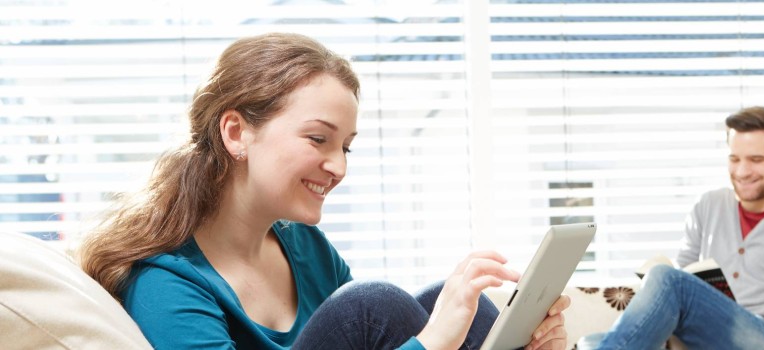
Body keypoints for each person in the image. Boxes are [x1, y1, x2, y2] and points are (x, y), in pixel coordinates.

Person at [78, 33, 570, 350]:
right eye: (318, 139)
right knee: (371, 305)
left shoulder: (306, 249)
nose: (337, 166)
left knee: (452, 299)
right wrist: (433, 344)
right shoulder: (167, 285)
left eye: (346, 147)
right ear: (235, 133)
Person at [594, 106, 764, 350]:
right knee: (594, 341)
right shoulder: (708, 206)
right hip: (709, 338)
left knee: (667, 280)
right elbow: (686, 278)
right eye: (734, 159)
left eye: (756, 159)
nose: (742, 171)